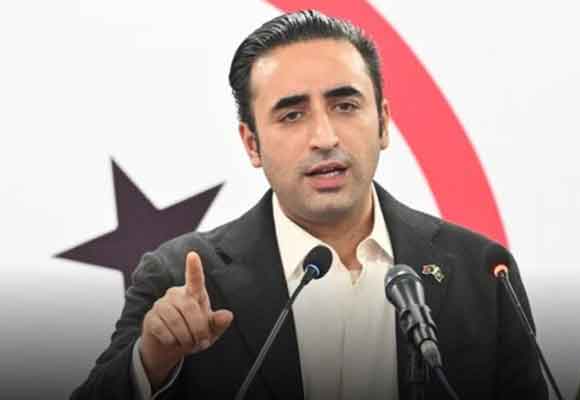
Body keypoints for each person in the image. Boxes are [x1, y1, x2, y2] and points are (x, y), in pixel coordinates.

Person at [71, 10, 547, 400]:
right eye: (292, 115)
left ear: (383, 124)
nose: (324, 137)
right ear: (252, 144)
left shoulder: (482, 273)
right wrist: (152, 361)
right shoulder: (179, 276)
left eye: (345, 106)